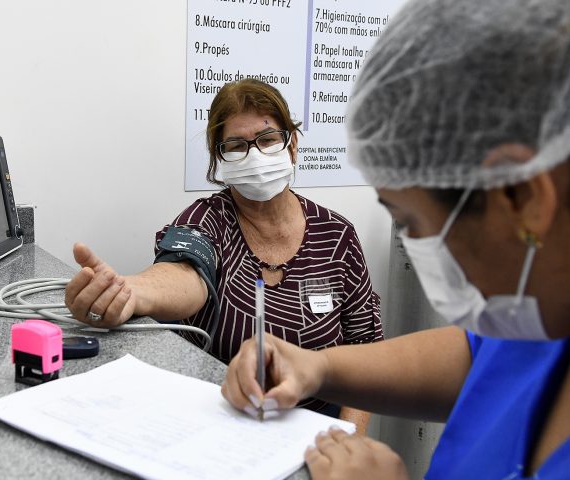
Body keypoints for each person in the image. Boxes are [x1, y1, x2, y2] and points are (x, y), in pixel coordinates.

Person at [221, 0, 570, 478]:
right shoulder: (546, 304)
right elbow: (482, 356)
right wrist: (320, 368)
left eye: (413, 223)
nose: (416, 245)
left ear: (522, 197)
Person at [64, 79, 383, 430]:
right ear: (220, 160)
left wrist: (351, 444)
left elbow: (365, 350)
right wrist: (130, 292)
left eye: (267, 139)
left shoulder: (337, 237)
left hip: (320, 429)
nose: (255, 155)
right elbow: (186, 272)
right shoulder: (206, 220)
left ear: (292, 146)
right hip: (223, 426)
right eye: (236, 146)